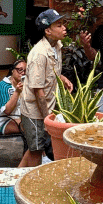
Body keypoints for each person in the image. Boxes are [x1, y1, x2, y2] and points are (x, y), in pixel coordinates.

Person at [17, 9, 73, 168]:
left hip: (47, 107)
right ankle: (31, 186)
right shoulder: (39, 54)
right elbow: (38, 91)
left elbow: (49, 73)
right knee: (36, 150)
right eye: (59, 25)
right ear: (48, 31)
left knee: (35, 147)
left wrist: (61, 78)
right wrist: (48, 119)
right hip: (35, 111)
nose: (64, 28)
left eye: (63, 24)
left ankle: (15, 178)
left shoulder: (57, 46)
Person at [0, 58, 27, 138]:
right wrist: (17, 92)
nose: (23, 73)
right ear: (12, 70)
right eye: (20, 70)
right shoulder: (3, 86)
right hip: (1, 121)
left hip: (16, 117)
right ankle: (33, 150)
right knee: (31, 128)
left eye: (26, 71)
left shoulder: (24, 83)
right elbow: (7, 111)